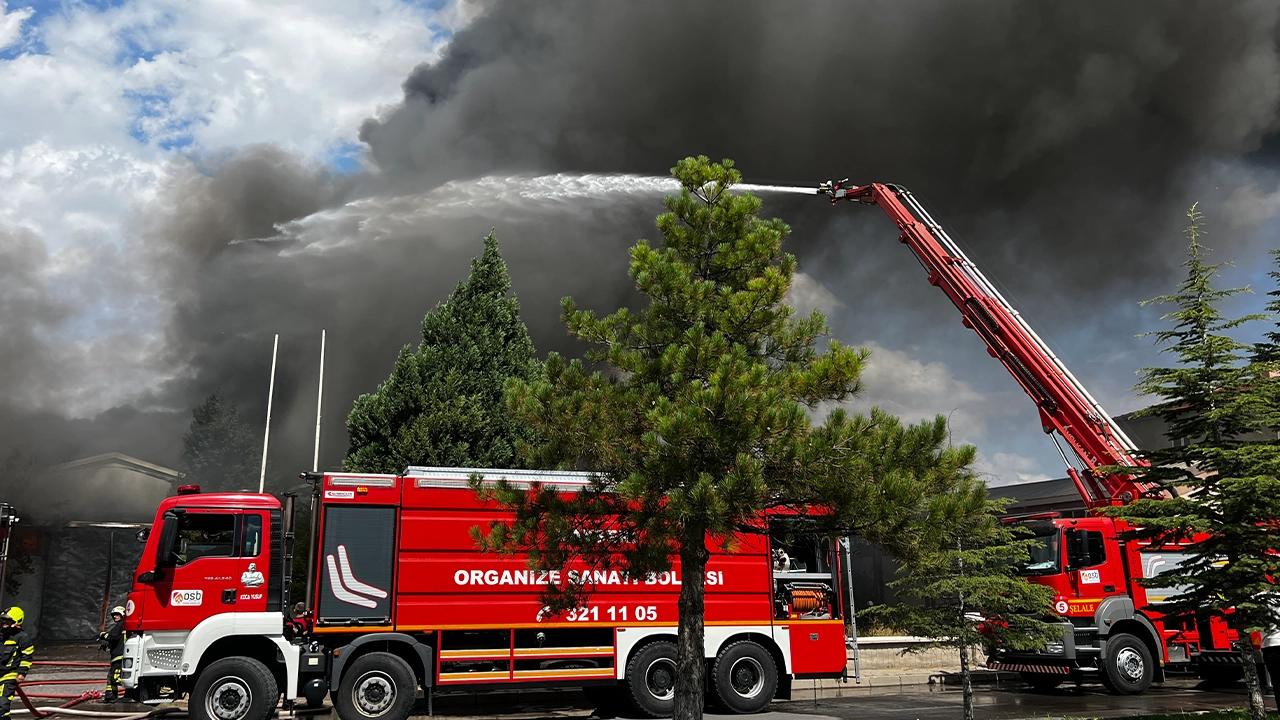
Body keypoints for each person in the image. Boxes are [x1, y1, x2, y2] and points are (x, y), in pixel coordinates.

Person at [0, 607, 34, 720]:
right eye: (3, 620)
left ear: (16, 621)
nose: (4, 623)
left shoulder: (22, 638)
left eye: (7, 621)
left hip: (8, 674)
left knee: (2, 705)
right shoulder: (1, 635)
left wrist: (21, 673)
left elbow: (27, 656)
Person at [98, 607, 125, 703]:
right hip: (118, 656)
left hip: (119, 657)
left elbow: (112, 636)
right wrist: (107, 644)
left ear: (123, 614)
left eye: (117, 614)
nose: (115, 617)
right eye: (114, 615)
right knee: (111, 677)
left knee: (115, 678)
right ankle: (110, 696)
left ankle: (115, 697)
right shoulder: (122, 626)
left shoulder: (121, 625)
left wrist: (102, 635)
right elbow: (117, 639)